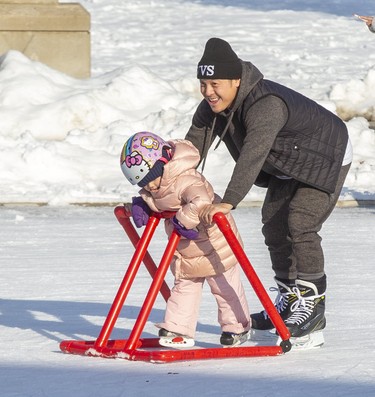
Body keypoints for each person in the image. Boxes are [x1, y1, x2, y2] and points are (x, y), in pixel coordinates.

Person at [185, 38, 352, 346]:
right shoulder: (211, 107)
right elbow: (190, 150)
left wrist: (230, 200)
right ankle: (289, 301)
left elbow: (254, 154)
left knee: (300, 222)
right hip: (287, 161)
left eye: (215, 84)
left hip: (325, 155)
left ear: (236, 80)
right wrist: (163, 180)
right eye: (203, 84)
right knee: (273, 225)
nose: (208, 92)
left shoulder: (267, 104)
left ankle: (312, 308)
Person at [120, 131, 250, 347]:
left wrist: (184, 219)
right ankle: (177, 330)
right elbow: (156, 200)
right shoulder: (156, 187)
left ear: (163, 165)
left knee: (224, 286)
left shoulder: (186, 179)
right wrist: (142, 205)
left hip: (215, 242)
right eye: (144, 184)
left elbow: (201, 200)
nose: (150, 187)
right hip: (185, 247)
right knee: (184, 286)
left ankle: (237, 328)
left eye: (152, 180)